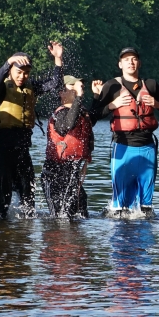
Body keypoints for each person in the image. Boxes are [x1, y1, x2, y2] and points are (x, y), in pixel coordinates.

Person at [0, 42, 65, 219]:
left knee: (28, 199)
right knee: (3, 199)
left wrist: (58, 59)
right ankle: (0, 234)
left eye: (26, 73)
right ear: (10, 71)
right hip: (2, 148)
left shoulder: (31, 87)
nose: (23, 76)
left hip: (23, 150)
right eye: (19, 72)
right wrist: (8, 61)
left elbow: (55, 83)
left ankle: (25, 239)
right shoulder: (0, 90)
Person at [93, 47, 159, 215]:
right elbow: (93, 116)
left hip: (147, 148)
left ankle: (144, 237)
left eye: (134, 59)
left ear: (139, 63)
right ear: (120, 64)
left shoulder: (150, 85)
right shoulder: (112, 86)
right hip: (122, 147)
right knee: (120, 208)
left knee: (145, 209)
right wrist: (113, 105)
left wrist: (156, 103)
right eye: (126, 59)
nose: (131, 62)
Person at [41, 75, 100, 219]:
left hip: (72, 173)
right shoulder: (59, 113)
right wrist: (79, 98)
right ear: (61, 92)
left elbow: (93, 118)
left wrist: (97, 97)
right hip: (54, 174)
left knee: (81, 210)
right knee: (59, 218)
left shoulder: (80, 112)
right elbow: (67, 125)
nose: (77, 88)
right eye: (72, 86)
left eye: (78, 86)